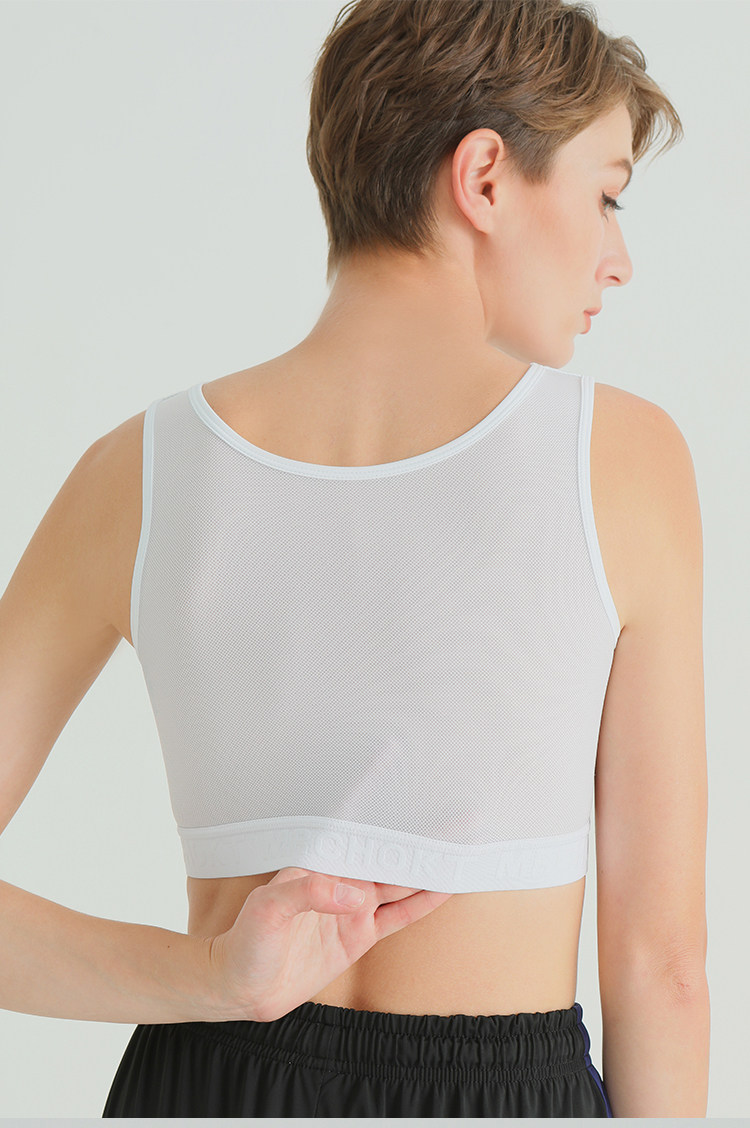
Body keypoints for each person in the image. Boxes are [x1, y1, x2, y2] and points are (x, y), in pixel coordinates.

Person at [0, 0, 709, 1118]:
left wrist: (208, 980)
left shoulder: (134, 472)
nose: (617, 260)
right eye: (606, 195)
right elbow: (664, 966)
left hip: (203, 1085)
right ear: (485, 179)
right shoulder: (619, 460)